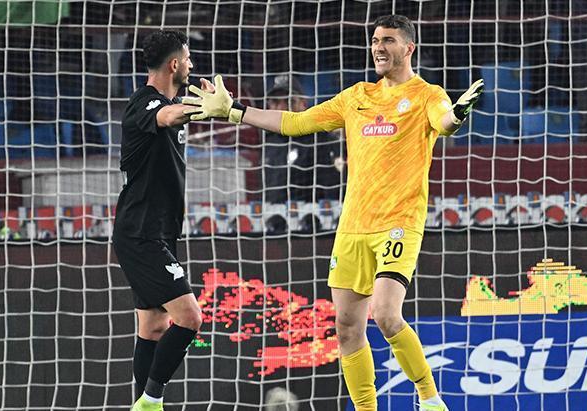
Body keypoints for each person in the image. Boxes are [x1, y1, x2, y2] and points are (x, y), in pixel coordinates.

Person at [183, 15, 483, 411]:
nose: (378, 47)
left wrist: (456, 115)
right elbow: (295, 122)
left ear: (409, 48)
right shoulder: (356, 96)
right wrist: (234, 111)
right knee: (346, 328)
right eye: (375, 40)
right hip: (353, 226)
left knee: (386, 315)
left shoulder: (427, 94)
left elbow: (443, 122)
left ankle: (429, 399)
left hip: (398, 223)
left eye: (388, 40)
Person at [112, 30, 209, 411]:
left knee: (153, 328)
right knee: (189, 318)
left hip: (158, 232)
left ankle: (144, 403)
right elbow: (166, 115)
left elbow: (174, 111)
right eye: (188, 58)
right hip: (141, 234)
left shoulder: (169, 103)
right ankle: (151, 401)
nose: (192, 65)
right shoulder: (145, 103)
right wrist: (204, 107)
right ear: (174, 64)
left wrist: (198, 104)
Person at [263, 76, 342, 204]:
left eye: (289, 101)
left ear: (303, 104)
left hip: (312, 213)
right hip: (273, 213)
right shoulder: (268, 141)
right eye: (275, 102)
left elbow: (332, 190)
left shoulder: (320, 139)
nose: (282, 107)